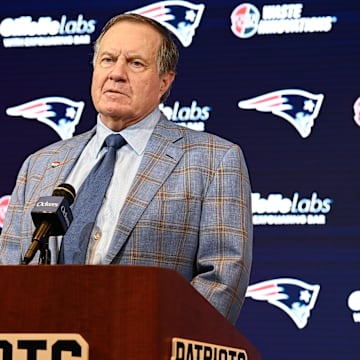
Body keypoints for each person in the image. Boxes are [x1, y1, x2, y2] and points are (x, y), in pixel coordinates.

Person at [0, 13, 252, 324]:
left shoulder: (213, 160)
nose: (117, 74)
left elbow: (222, 278)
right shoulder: (38, 165)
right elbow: (10, 273)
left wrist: (155, 344)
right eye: (107, 60)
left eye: (135, 63)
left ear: (164, 81)